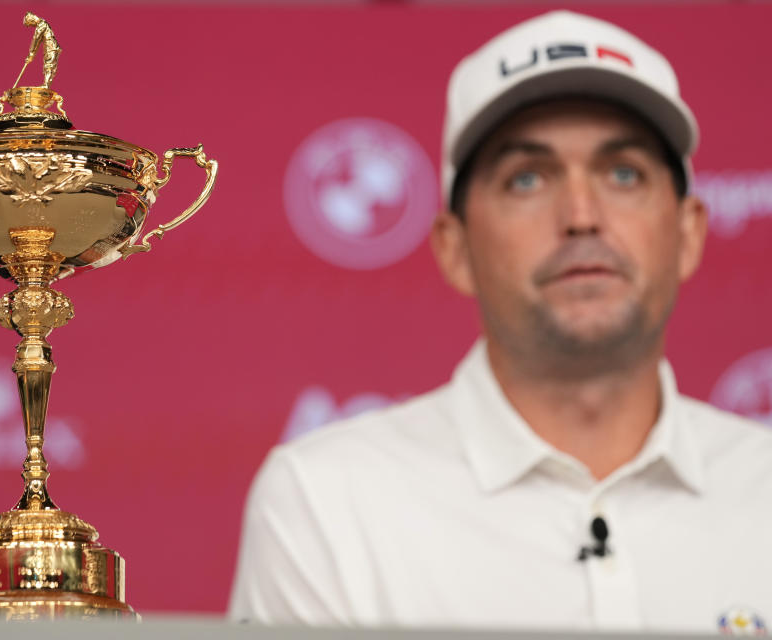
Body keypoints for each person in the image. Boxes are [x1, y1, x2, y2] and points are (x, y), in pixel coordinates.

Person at [229, 10, 772, 633]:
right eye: (527, 178)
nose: (581, 215)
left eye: (624, 173)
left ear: (688, 232)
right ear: (453, 247)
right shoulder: (327, 503)